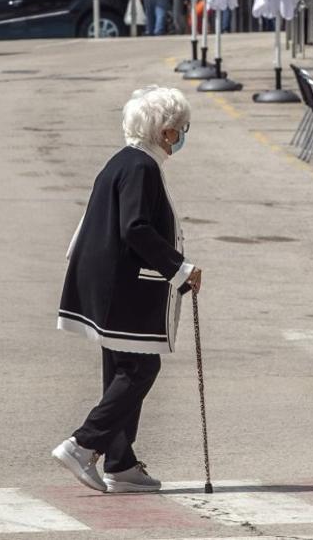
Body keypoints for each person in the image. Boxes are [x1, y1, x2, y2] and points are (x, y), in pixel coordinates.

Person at [52, 87, 204, 493]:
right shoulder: (140, 168)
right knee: (140, 368)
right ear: (166, 132)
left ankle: (120, 463)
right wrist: (180, 269)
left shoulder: (124, 161)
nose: (183, 136)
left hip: (107, 285)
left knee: (122, 369)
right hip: (124, 287)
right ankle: (84, 445)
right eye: (181, 129)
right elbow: (134, 227)